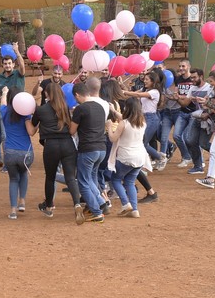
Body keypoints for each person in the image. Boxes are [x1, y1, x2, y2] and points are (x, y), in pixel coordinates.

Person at [30, 83, 82, 223]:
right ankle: (77, 203)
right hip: (68, 144)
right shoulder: (65, 108)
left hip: (51, 145)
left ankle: (49, 207)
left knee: (50, 177)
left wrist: (26, 119)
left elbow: (33, 125)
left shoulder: (41, 110)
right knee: (70, 177)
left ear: (48, 94)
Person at [70, 82, 109, 223]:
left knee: (83, 182)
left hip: (88, 149)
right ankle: (101, 202)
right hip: (101, 149)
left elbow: (72, 131)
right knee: (91, 179)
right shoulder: (100, 106)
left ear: (77, 95)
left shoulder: (81, 109)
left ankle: (97, 212)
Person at [108, 97, 151, 218]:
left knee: (116, 180)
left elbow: (113, 138)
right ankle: (134, 210)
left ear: (127, 108)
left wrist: (110, 126)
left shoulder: (123, 123)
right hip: (140, 157)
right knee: (130, 182)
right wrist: (114, 111)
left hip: (126, 157)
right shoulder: (142, 122)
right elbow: (125, 120)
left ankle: (126, 204)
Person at [0, 87, 33, 219]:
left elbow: (2, 103)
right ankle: (22, 202)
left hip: (9, 152)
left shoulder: (4, 111)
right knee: (23, 173)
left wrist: (4, 93)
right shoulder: (26, 113)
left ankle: (13, 210)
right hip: (26, 152)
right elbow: (31, 131)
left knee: (13, 179)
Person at [124, 71, 167, 169]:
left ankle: (156, 159)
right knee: (142, 142)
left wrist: (125, 92)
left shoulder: (154, 92)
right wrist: (122, 88)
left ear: (153, 81)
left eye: (147, 79)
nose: (144, 81)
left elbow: (138, 95)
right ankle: (158, 157)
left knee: (141, 142)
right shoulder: (144, 90)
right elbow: (134, 93)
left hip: (151, 119)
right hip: (143, 118)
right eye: (145, 79)